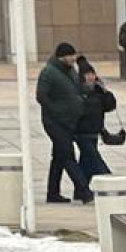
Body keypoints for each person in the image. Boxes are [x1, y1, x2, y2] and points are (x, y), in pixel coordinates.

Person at [37, 42, 91, 205]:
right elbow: (41, 96)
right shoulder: (49, 72)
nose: (74, 58)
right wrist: (56, 111)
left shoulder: (70, 71)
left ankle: (52, 193)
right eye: (71, 55)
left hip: (68, 121)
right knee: (67, 155)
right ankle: (84, 190)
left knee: (59, 158)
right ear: (62, 57)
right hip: (54, 122)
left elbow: (77, 88)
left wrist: (89, 87)